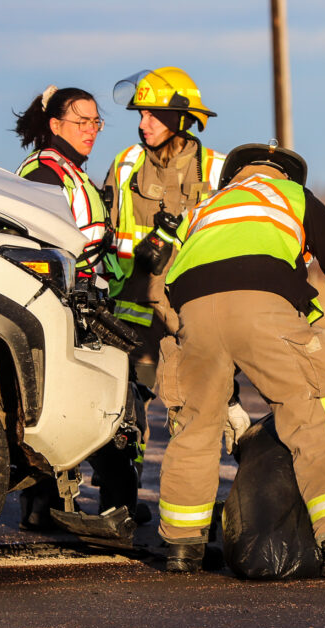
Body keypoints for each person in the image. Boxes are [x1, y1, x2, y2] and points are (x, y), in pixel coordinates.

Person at [156, 142, 325, 577]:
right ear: (286, 173)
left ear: (235, 174)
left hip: (192, 311)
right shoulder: (292, 195)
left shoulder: (206, 208)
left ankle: (182, 547)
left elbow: (179, 288)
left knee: (194, 425)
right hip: (264, 302)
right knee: (312, 416)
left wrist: (227, 398)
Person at [101, 68, 247, 475]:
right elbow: (103, 231)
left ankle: (189, 500)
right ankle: (122, 497)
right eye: (140, 115)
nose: (142, 124)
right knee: (126, 410)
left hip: (192, 313)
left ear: (182, 121)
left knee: (197, 407)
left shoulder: (219, 171)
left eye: (153, 115)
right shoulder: (127, 164)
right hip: (135, 313)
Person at [14, 86, 142, 528]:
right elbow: (45, 243)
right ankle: (107, 503)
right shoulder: (45, 172)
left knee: (88, 398)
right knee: (93, 398)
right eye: (81, 122)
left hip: (82, 300)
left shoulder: (70, 170)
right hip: (60, 304)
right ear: (55, 126)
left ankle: (71, 503)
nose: (91, 131)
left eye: (96, 122)